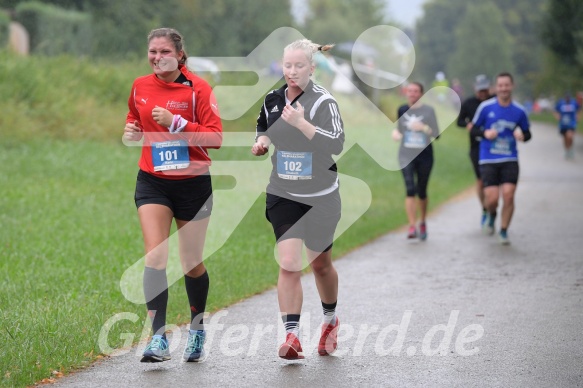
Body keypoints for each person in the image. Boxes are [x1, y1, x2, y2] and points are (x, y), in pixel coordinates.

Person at [123, 27, 222, 363]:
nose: (157, 57)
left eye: (164, 52)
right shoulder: (139, 86)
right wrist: (132, 131)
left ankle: (196, 330)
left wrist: (176, 122)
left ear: (179, 55)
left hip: (193, 183)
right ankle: (158, 339)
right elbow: (133, 119)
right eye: (152, 51)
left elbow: (215, 138)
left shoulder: (199, 88)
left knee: (191, 263)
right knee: (155, 257)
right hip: (153, 180)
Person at [251, 39, 344, 360]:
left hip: (321, 197)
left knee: (320, 265)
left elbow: (336, 144)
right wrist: (261, 142)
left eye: (299, 66)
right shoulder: (273, 98)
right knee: (289, 263)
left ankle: (330, 321)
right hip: (283, 193)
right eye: (287, 66)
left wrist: (302, 123)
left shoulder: (324, 103)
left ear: (311, 68)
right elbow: (262, 126)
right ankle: (291, 335)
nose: (292, 72)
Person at [472, 72, 531, 245]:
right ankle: (491, 215)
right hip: (488, 158)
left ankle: (504, 230)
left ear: (512, 86)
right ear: (495, 88)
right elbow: (474, 129)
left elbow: (528, 133)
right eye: (500, 85)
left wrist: (523, 135)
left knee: (509, 195)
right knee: (491, 199)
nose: (504, 88)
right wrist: (485, 133)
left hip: (510, 158)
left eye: (507, 85)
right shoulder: (485, 107)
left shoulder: (519, 110)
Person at [392, 82, 440, 240]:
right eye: (409, 91)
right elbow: (399, 129)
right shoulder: (402, 109)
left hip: (425, 155)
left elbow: (437, 134)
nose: (412, 94)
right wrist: (396, 134)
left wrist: (424, 128)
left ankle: (423, 221)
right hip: (406, 154)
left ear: (421, 93)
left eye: (415, 91)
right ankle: (412, 226)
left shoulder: (428, 111)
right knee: (410, 188)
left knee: (422, 190)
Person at [457, 74, 494, 225]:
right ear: (475, 89)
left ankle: (492, 209)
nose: (482, 93)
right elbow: (459, 121)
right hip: (476, 146)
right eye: (480, 90)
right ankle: (485, 209)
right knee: (480, 182)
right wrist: (467, 124)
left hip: (494, 147)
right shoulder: (469, 103)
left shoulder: (495, 101)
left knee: (492, 183)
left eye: (485, 90)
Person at [553, 93, 581, 160]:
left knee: (570, 136)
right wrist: (557, 116)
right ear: (565, 98)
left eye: (568, 98)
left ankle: (570, 148)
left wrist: (578, 116)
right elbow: (555, 110)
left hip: (572, 123)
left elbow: (579, 109)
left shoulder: (574, 103)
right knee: (565, 138)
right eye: (566, 98)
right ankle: (567, 150)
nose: (567, 99)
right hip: (563, 124)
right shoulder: (561, 103)